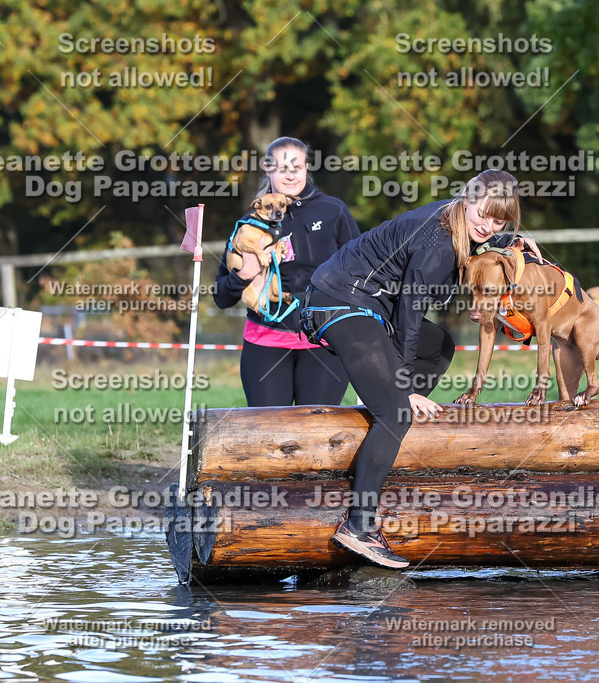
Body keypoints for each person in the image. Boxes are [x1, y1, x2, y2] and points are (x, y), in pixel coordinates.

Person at [303, 169, 536, 569]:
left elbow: (481, 237)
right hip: (341, 299)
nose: (488, 225)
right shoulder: (438, 242)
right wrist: (404, 385)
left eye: (500, 221)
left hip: (375, 307)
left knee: (441, 345)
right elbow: (411, 315)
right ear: (467, 199)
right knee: (395, 409)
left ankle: (393, 425)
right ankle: (359, 527)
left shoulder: (461, 224)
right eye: (483, 214)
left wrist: (508, 241)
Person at [213, 137, 361, 406]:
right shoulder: (249, 223)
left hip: (324, 341)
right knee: (269, 435)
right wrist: (246, 272)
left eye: (297, 166)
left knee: (317, 435)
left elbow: (361, 274)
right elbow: (221, 296)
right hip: (265, 341)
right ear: (268, 169)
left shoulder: (334, 211)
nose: (290, 174)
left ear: (306, 168)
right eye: (282, 168)